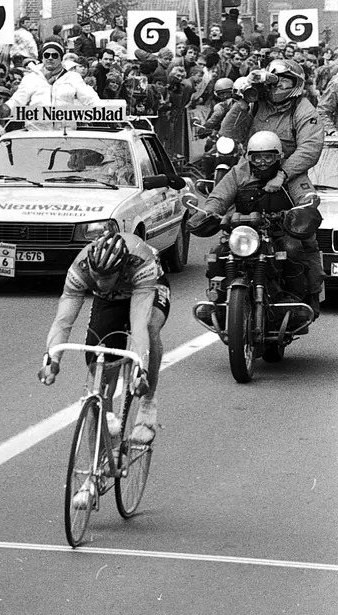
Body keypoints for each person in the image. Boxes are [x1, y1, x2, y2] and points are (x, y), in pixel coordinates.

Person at [38, 232, 168, 498]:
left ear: (119, 268)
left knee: (151, 330)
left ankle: (147, 407)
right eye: (97, 277)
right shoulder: (81, 268)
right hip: (109, 300)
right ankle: (96, 469)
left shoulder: (139, 263)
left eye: (106, 277)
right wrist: (52, 360)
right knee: (98, 370)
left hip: (145, 289)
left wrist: (139, 366)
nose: (100, 281)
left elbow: (139, 324)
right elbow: (63, 320)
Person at [220, 60, 324, 309]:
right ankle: (222, 291)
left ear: (296, 84)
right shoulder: (257, 101)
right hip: (252, 168)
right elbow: (229, 134)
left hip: (290, 171)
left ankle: (301, 297)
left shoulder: (304, 109)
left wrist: (283, 174)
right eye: (277, 80)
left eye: (286, 81)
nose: (280, 86)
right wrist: (241, 104)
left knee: (300, 238)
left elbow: (310, 148)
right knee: (225, 231)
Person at [188, 131, 321, 320]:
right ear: (249, 157)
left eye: (268, 157)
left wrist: (306, 204)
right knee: (217, 252)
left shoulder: (289, 173)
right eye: (257, 158)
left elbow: (305, 194)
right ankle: (218, 301)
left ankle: (292, 299)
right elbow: (219, 196)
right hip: (243, 230)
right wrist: (209, 212)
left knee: (293, 249)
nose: (263, 162)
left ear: (279, 157)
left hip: (279, 230)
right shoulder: (238, 173)